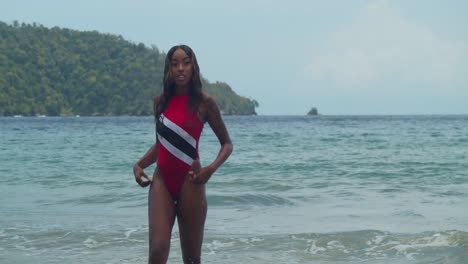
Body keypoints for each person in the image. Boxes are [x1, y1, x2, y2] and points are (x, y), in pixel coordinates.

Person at [133, 44, 233, 264]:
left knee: (191, 259)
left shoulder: (205, 103)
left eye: (186, 63)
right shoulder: (160, 102)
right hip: (162, 181)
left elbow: (226, 144)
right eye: (174, 64)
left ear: (193, 67)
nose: (180, 68)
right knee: (157, 251)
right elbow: (162, 144)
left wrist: (210, 170)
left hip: (192, 181)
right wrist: (139, 164)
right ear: (168, 69)